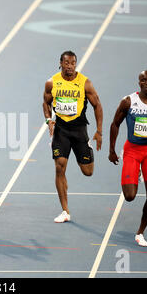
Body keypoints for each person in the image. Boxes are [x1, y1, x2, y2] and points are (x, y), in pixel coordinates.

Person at [109, 70, 147, 247]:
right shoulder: (128, 101)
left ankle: (140, 232)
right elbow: (115, 124)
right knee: (129, 196)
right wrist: (112, 150)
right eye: (143, 80)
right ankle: (134, 173)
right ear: (139, 83)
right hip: (132, 151)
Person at [42, 50, 103, 223]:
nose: (70, 66)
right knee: (60, 167)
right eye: (66, 63)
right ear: (60, 63)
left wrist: (99, 131)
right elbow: (45, 103)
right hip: (61, 130)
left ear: (76, 64)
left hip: (79, 130)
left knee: (88, 171)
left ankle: (86, 150)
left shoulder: (85, 83)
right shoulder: (52, 82)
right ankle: (65, 211)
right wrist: (48, 120)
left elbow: (97, 105)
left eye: (73, 63)